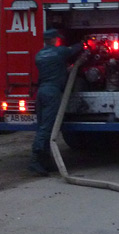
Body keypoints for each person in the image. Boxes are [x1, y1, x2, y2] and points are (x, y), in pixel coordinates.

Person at [30, 28, 86, 176]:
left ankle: (45, 162)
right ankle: (35, 160)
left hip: (41, 91)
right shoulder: (59, 52)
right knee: (47, 127)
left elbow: (55, 70)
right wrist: (85, 42)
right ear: (54, 39)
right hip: (52, 93)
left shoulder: (39, 55)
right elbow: (74, 49)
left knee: (42, 126)